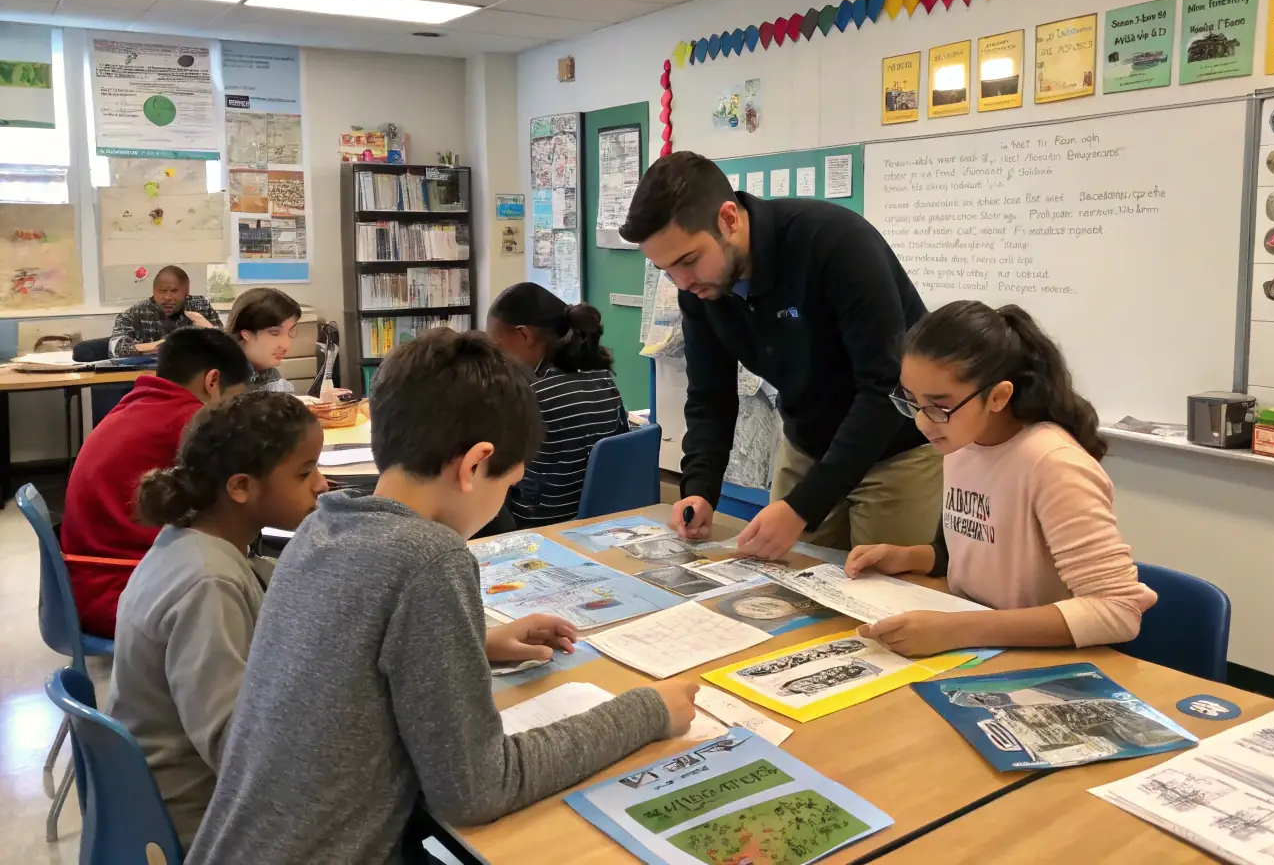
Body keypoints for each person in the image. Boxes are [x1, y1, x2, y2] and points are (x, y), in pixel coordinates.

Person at [189, 330, 698, 865]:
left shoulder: (323, 527)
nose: (504, 498)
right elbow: (478, 788)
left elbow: (354, 667)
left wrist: (477, 643)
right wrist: (646, 712)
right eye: (509, 484)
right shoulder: (429, 557)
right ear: (475, 465)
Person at [619, 150, 939, 561]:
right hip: (808, 442)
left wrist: (802, 507)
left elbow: (885, 386)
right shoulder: (699, 290)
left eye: (689, 260)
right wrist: (699, 488)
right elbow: (710, 395)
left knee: (879, 586)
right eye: (667, 270)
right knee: (786, 578)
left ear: (728, 220)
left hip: (893, 448)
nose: (682, 282)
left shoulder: (833, 242)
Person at [843, 301, 1156, 657]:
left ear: (998, 397)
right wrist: (908, 557)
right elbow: (983, 555)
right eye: (911, 401)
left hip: (1042, 659)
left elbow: (1118, 610)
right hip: (981, 644)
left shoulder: (1053, 464)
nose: (922, 422)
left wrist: (955, 630)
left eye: (939, 406)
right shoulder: (962, 442)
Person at [108, 391, 327, 851]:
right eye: (304, 473)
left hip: (174, 799)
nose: (321, 485)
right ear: (241, 487)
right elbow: (236, 751)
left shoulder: (188, 539)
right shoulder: (208, 584)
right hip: (202, 823)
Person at [60, 329, 253, 638]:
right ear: (212, 381)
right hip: (116, 589)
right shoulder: (189, 419)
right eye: (232, 402)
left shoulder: (140, 402)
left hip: (89, 580)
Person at [487, 282, 628, 528]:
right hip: (598, 519)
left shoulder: (534, 395)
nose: (498, 358)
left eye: (498, 347)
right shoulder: (603, 379)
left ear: (524, 335)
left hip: (537, 524)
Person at [109, 264, 222, 357]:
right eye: (162, 291)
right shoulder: (136, 313)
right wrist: (163, 345)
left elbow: (227, 345)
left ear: (186, 291)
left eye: (174, 291)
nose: (167, 297)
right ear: (154, 291)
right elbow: (116, 348)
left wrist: (211, 330)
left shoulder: (200, 306)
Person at [226, 287, 301, 392]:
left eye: (291, 331)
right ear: (246, 334)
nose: (286, 345)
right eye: (274, 333)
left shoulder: (268, 373)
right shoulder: (221, 379)